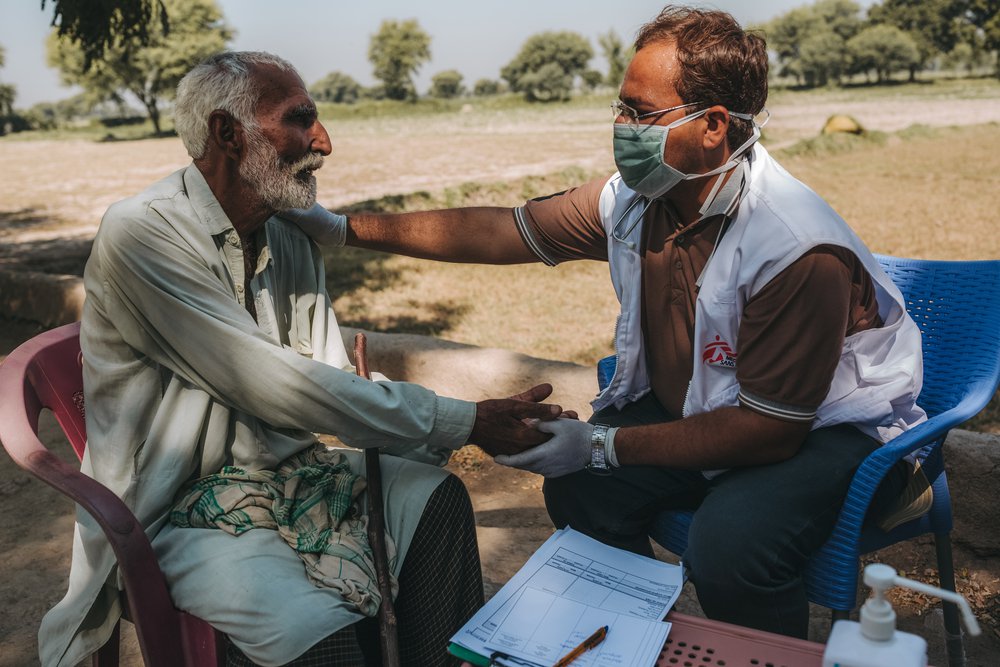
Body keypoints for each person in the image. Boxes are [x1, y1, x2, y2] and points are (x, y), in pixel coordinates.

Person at [295, 6, 927, 639]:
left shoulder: (794, 247)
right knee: (582, 493)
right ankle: (635, 641)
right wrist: (345, 229)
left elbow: (768, 432)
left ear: (711, 126)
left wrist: (601, 443)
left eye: (640, 113)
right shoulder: (639, 201)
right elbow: (500, 229)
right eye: (620, 109)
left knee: (730, 545)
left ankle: (765, 655)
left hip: (829, 433)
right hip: (713, 412)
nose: (622, 128)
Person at [39, 51, 564, 667]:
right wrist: (463, 420)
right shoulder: (143, 233)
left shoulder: (286, 230)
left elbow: (326, 374)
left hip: (290, 475)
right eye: (300, 119)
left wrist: (420, 425)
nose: (324, 142)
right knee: (317, 629)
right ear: (227, 134)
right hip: (177, 509)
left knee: (437, 502)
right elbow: (273, 384)